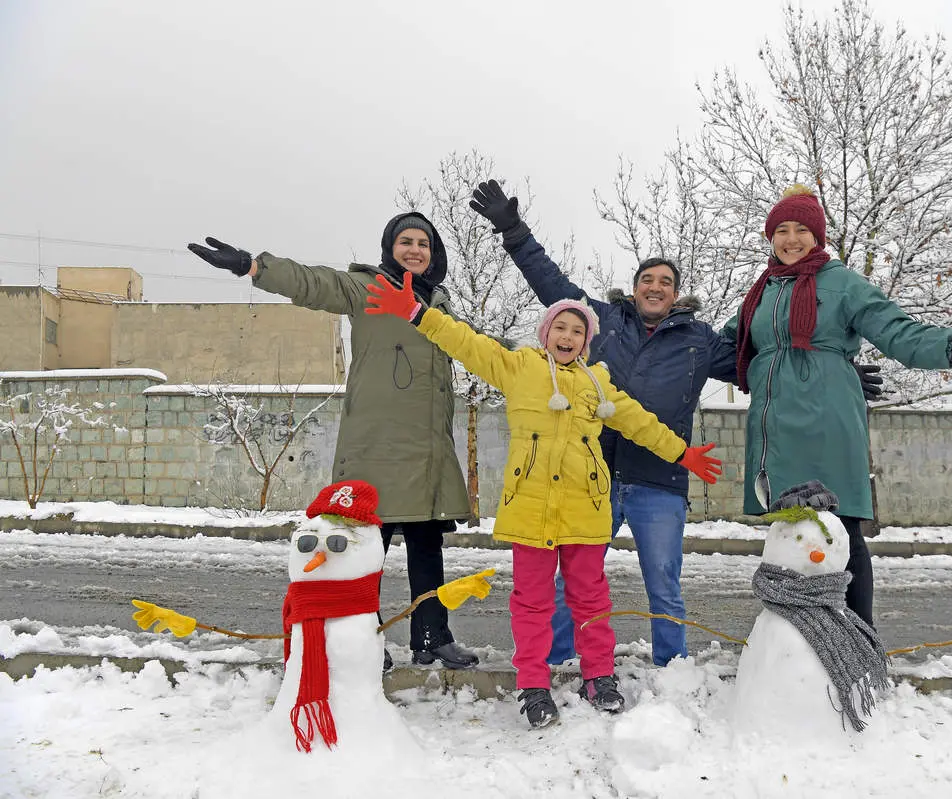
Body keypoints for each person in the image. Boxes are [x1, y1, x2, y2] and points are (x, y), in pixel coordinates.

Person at [467, 180, 886, 666]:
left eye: (666, 282)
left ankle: (673, 667)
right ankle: (561, 660)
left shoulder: (698, 340)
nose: (656, 287)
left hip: (659, 483)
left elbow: (766, 362)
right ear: (635, 287)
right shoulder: (600, 322)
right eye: (648, 279)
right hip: (592, 481)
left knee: (664, 584)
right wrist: (514, 231)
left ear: (676, 295)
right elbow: (549, 282)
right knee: (573, 582)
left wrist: (833, 369)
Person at [363, 275, 722, 728]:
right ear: (546, 333)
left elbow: (639, 422)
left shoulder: (599, 384)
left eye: (577, 331)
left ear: (587, 341)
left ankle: (600, 676)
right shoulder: (519, 368)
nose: (568, 337)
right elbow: (466, 342)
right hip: (530, 512)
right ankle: (533, 684)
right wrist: (419, 314)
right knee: (532, 602)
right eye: (560, 328)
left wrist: (681, 452)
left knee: (590, 599)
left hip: (586, 512)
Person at [721, 184, 952, 627]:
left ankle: (860, 641)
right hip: (775, 429)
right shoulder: (762, 292)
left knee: (842, 530)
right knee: (791, 534)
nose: (790, 239)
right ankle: (797, 641)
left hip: (828, 421)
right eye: (781, 230)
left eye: (801, 230)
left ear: (818, 236)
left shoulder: (842, 283)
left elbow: (897, 331)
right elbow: (728, 348)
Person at [186, 213, 480, 670]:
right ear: (390, 247)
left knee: (428, 549)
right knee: (365, 552)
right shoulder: (367, 288)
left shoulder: (440, 308)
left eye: (424, 243)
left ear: (433, 253)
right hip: (375, 448)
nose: (415, 250)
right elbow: (312, 283)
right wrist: (252, 266)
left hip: (427, 452)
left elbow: (481, 348)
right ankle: (366, 641)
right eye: (406, 241)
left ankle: (431, 636)